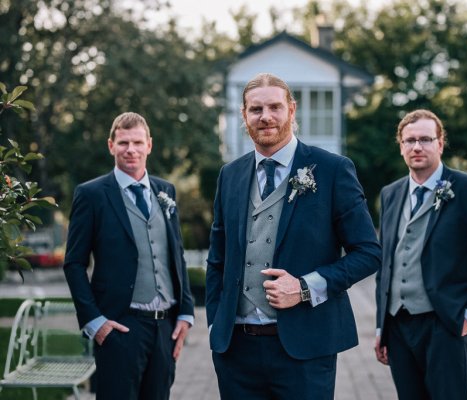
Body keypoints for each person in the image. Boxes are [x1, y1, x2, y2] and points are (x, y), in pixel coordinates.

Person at [206, 73, 381, 400]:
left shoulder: (332, 169)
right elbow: (218, 258)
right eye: (256, 109)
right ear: (244, 115)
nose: (266, 117)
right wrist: (216, 324)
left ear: (291, 110)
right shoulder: (229, 175)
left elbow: (368, 252)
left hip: (306, 349)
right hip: (236, 351)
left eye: (274, 107)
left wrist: (304, 287)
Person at [374, 109, 467, 399]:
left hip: (447, 323)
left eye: (425, 139)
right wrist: (380, 327)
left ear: (440, 143)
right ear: (400, 146)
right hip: (397, 326)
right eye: (409, 140)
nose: (417, 147)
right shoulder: (390, 194)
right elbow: (386, 264)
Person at [63, 112, 195, 400]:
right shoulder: (92, 194)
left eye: (137, 142)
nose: (131, 149)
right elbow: (74, 264)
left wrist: (185, 313)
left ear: (149, 145)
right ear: (111, 145)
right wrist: (95, 322)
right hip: (120, 325)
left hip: (165, 327)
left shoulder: (166, 191)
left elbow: (176, 254)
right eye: (123, 142)